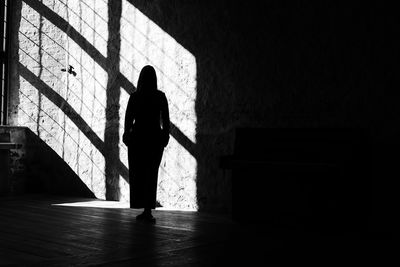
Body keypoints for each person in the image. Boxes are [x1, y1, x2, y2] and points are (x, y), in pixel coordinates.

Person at [123, 65, 170, 223]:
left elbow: (129, 118)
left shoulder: (135, 96)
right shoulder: (160, 97)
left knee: (138, 174)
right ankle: (148, 209)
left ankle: (142, 206)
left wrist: (127, 134)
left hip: (138, 138)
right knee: (151, 174)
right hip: (154, 138)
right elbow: (166, 120)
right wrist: (165, 136)